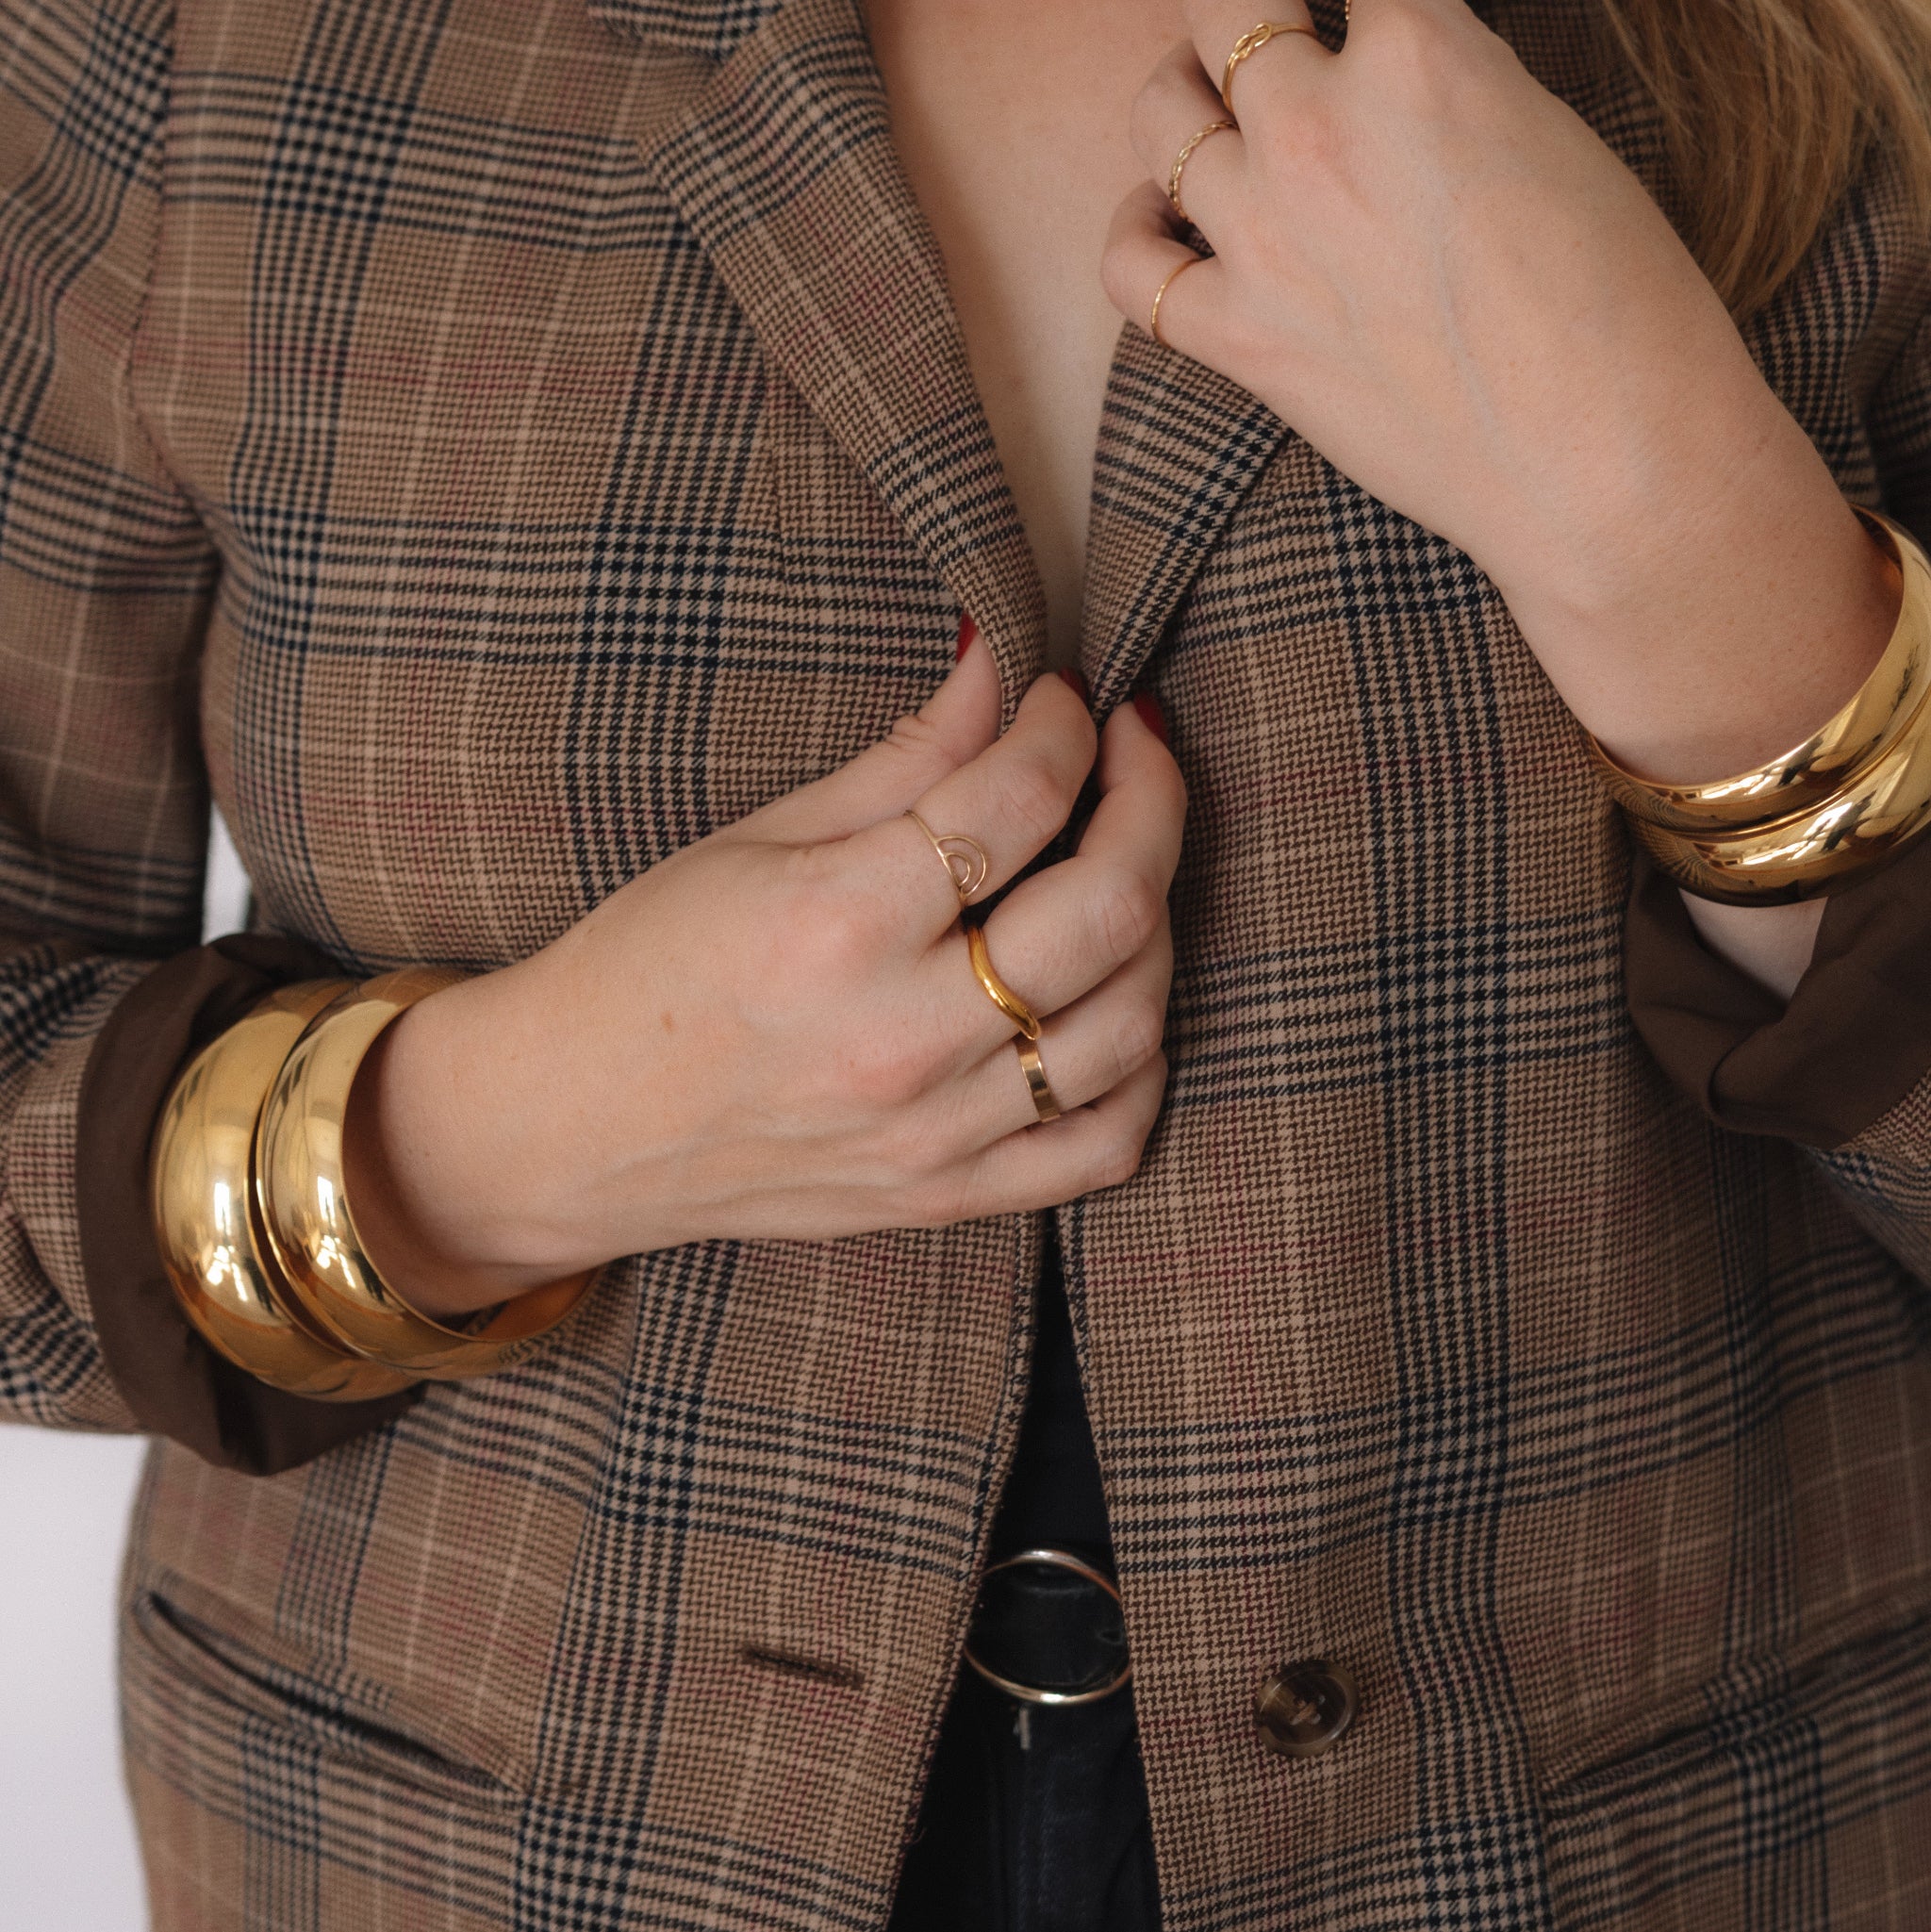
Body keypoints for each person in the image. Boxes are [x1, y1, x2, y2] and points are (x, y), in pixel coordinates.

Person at [4, 0, 1931, 1923]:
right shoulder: (200, 43)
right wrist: (499, 1136)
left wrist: (1671, 523)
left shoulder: (1841, 56)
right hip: (452, 1851)